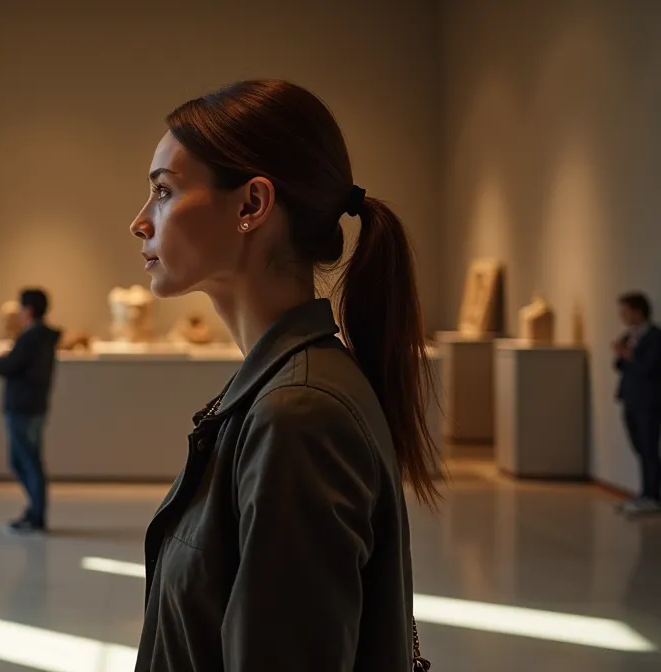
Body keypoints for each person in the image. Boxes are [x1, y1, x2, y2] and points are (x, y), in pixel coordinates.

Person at [128, 80, 438, 672]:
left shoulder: (299, 412)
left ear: (251, 205)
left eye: (164, 192)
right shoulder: (284, 391)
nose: (140, 222)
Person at [0, 288, 61, 535]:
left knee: (26, 461)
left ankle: (36, 514)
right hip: (34, 406)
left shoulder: (31, 338)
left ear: (28, 310)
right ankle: (35, 511)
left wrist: (1, 360)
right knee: (26, 459)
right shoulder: (44, 338)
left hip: (23, 407)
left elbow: (7, 366)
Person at [614, 292, 661, 515]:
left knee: (649, 448)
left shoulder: (654, 336)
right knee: (639, 446)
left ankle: (652, 495)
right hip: (631, 398)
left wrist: (630, 355)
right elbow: (620, 365)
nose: (622, 315)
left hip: (648, 402)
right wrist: (622, 354)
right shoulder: (629, 335)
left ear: (638, 311)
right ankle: (646, 492)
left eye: (625, 310)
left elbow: (648, 367)